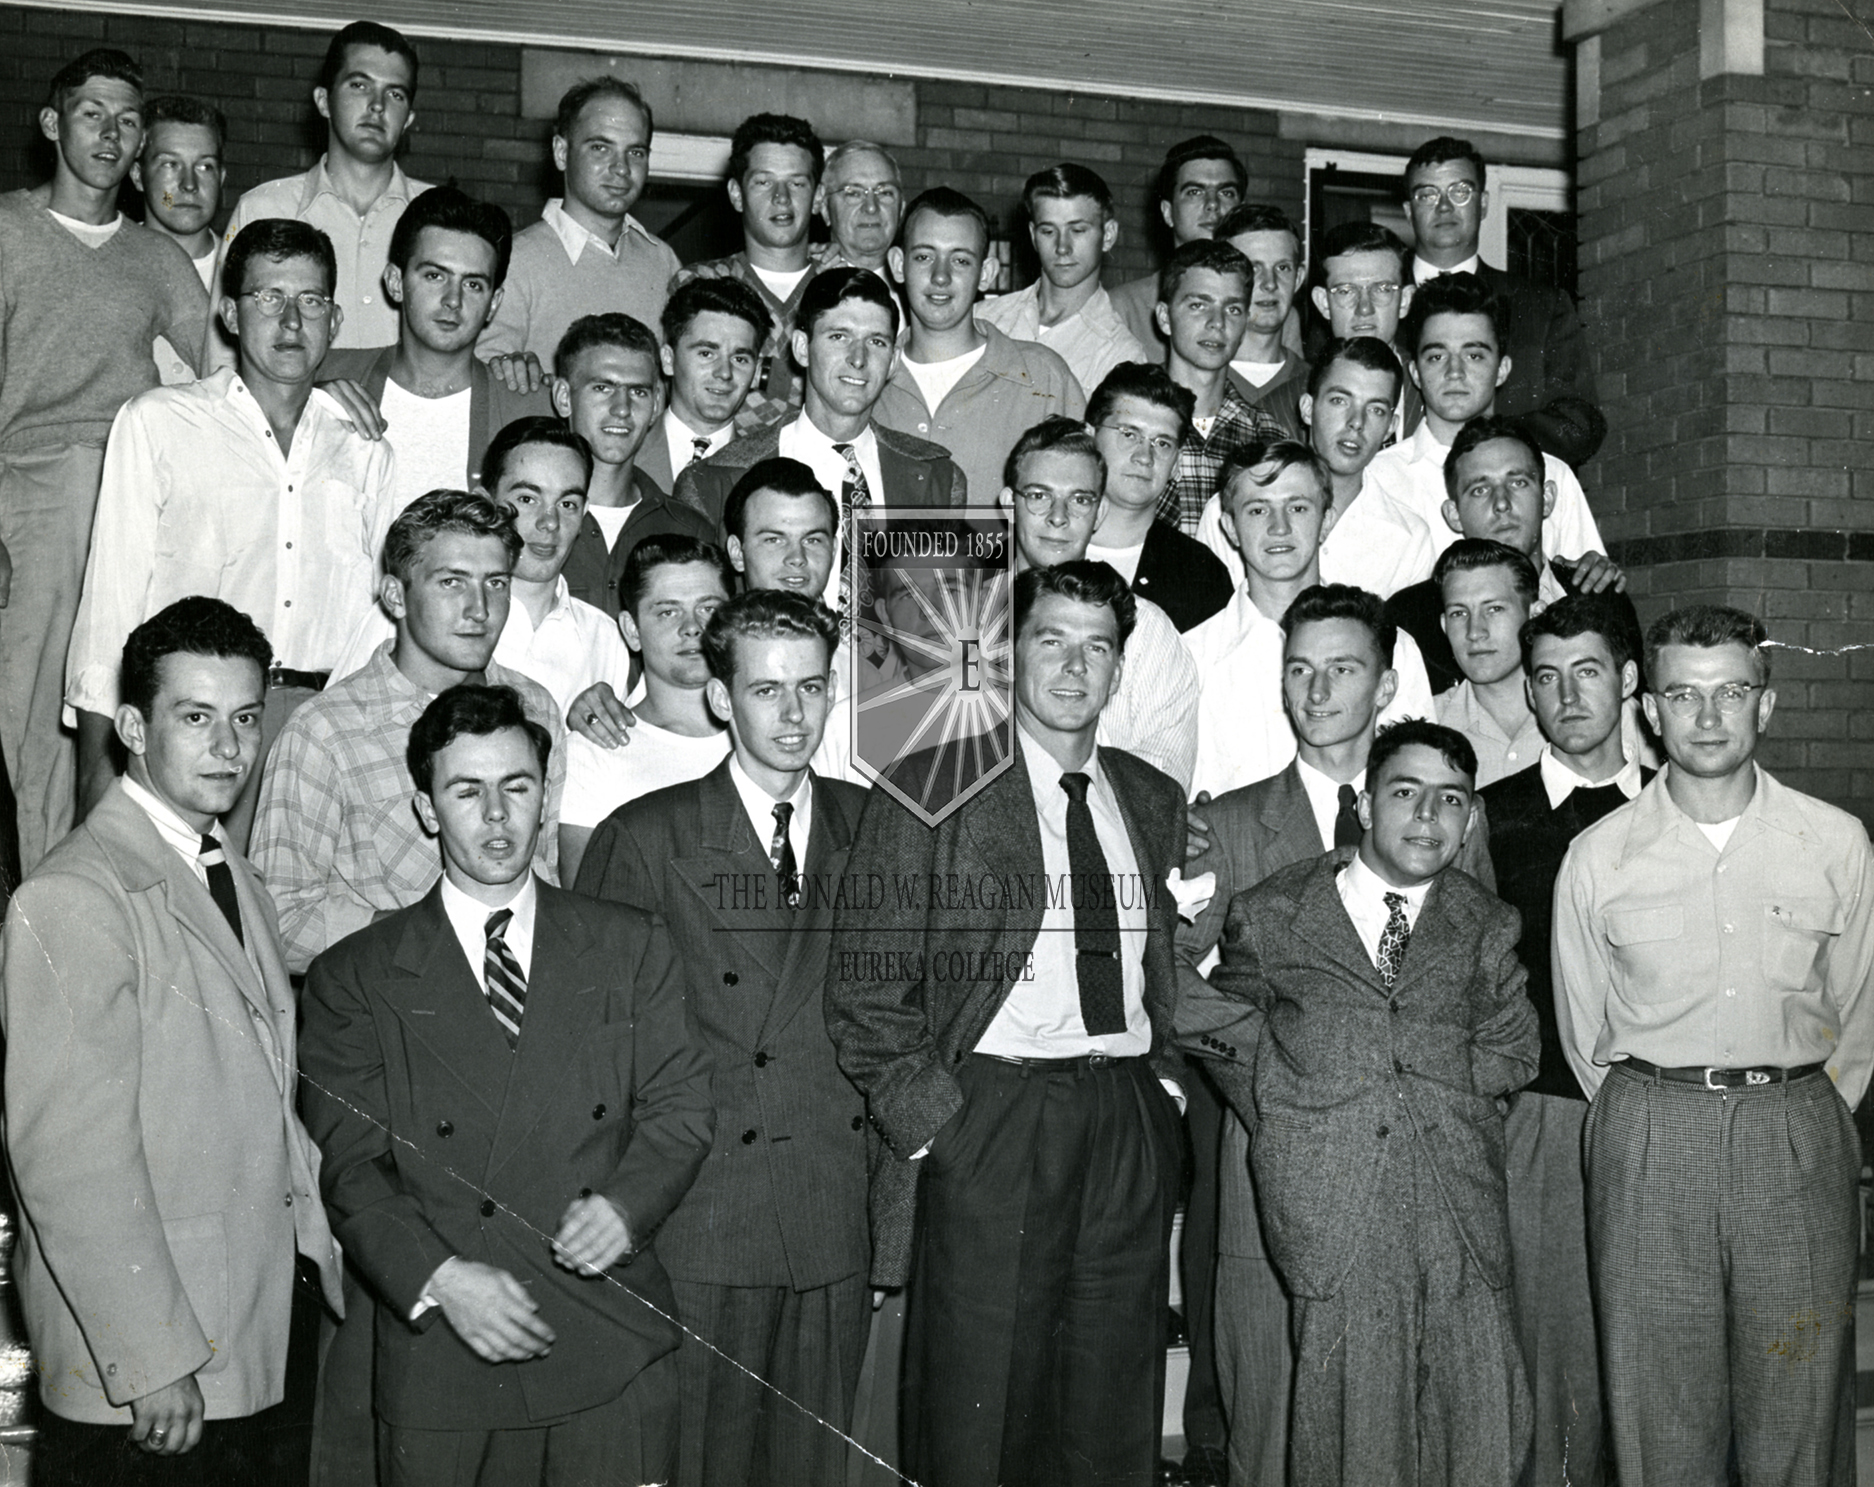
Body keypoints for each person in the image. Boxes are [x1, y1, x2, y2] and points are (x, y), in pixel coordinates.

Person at [827, 559, 1188, 1487]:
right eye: (1051, 640)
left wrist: (1163, 1087)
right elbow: (866, 987)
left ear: (1119, 668)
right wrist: (939, 1129)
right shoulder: (931, 780)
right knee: (979, 1409)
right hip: (992, 1112)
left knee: (1113, 1406)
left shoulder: (1148, 795)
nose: (1074, 666)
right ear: (1007, 655)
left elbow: (1157, 960)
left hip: (1122, 1114)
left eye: (1096, 647)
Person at [298, 682, 712, 1487]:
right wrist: (441, 1278)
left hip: (607, 1340)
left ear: (545, 795)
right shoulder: (355, 975)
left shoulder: (629, 944)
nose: (496, 814)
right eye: (467, 790)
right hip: (449, 1353)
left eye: (516, 786)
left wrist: (625, 1206)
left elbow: (682, 1105)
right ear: (426, 810)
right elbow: (351, 1167)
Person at [2, 596, 344, 1486]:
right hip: (153, 1366)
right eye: (195, 718)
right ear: (131, 728)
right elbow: (69, 1162)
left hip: (244, 1331)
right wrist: (152, 1355)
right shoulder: (75, 896)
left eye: (245, 718)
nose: (229, 746)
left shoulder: (233, 874)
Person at [1176, 586, 1492, 1487]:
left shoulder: (1443, 813)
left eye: (1343, 669)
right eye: (1299, 670)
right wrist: (1272, 1072)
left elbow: (1479, 966)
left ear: (1386, 684)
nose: (1316, 691)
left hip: (1421, 1174)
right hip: (1278, 1160)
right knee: (1276, 1416)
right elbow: (1168, 977)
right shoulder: (1227, 823)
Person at [1554, 605, 1874, 1487]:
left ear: (1764, 704)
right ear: (1649, 710)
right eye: (1682, 695)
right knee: (1659, 1419)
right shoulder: (1598, 855)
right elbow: (1585, 1028)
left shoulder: (1834, 842)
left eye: (1730, 692)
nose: (1706, 716)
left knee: (1798, 1410)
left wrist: (1804, 1116)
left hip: (1794, 1130)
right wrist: (1655, 1114)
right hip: (1652, 1133)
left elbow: (1859, 1009)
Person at [576, 589, 870, 1487]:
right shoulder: (648, 837)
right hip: (704, 1217)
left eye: (811, 688)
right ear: (720, 697)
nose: (793, 714)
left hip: (832, 1209)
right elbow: (603, 1056)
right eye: (767, 690)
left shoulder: (876, 828)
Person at [1217, 719, 1535, 1484]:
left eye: (1450, 799)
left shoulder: (1485, 921)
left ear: (1469, 820)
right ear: (1363, 805)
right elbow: (1222, 1023)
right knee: (1351, 1435)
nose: (1428, 815)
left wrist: (1434, 1086)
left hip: (1458, 1206)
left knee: (1479, 1426)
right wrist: (1290, 1103)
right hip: (1336, 1207)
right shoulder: (1274, 911)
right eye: (1405, 792)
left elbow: (1515, 1045)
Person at [67, 218, 397, 845]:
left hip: (324, 731)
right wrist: (95, 775)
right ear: (230, 315)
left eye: (311, 301)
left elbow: (379, 618)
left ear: (335, 321)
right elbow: (110, 608)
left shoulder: (364, 447)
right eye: (269, 298)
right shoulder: (159, 423)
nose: (291, 321)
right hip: (195, 722)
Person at [0, 47, 211, 868]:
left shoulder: (156, 257)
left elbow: (233, 372)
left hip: (131, 490)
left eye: (127, 121)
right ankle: (37, 899)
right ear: (53, 124)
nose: (111, 134)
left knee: (123, 713)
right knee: (32, 722)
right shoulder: (8, 230)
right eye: (93, 114)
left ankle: (101, 896)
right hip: (34, 492)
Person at [251, 488, 567, 975]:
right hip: (392, 998)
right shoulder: (326, 732)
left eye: (496, 583)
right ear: (396, 596)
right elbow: (277, 919)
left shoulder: (536, 708)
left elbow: (547, 874)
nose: (479, 609)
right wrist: (431, 939)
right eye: (451, 582)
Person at [1479, 594, 1649, 1487]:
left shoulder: (1678, 805)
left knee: (1659, 1338)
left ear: (1629, 679)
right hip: (1543, 1113)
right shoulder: (1489, 815)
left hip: (1665, 1108)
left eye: (1587, 671)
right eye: (1545, 677)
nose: (1567, 696)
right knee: (1553, 1346)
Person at [675, 268, 966, 606]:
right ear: (802, 347)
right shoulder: (714, 482)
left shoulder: (938, 480)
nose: (858, 359)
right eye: (839, 337)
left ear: (893, 361)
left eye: (876, 342)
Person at [1187, 439, 1434, 798]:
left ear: (1326, 520)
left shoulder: (1390, 646)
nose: (1279, 527)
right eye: (1258, 510)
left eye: (1298, 508)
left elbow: (1421, 777)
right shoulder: (1192, 656)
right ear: (1230, 527)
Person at [320, 185, 549, 509]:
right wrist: (307, 396)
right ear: (395, 282)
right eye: (434, 276)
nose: (453, 300)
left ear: (494, 303)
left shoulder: (526, 409)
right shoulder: (326, 380)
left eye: (473, 284)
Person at [1006, 417, 1200, 789]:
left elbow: (1161, 788)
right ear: (1007, 505)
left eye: (1080, 500)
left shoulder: (1148, 630)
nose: (1058, 517)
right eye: (1039, 496)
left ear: (1100, 514)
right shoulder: (962, 618)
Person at [214, 21, 428, 358]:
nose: (377, 105)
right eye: (359, 85)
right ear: (324, 101)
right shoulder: (261, 209)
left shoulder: (436, 218)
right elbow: (222, 363)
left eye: (395, 94)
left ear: (408, 120)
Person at [1384, 415, 1638, 695]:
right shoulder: (1413, 617)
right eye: (1480, 490)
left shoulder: (1600, 597)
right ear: (1454, 514)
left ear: (1547, 498)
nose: (1502, 503)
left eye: (1517, 483)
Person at [1364, 273, 1603, 570]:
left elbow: (1584, 586)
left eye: (1474, 356)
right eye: (1437, 357)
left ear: (1502, 369)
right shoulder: (1376, 479)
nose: (1454, 372)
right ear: (1415, 373)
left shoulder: (1553, 474)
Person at [1403, 137, 1605, 467]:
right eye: (1427, 194)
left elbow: (1579, 423)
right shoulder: (1371, 302)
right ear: (1408, 211)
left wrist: (1490, 439)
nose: (1444, 207)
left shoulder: (1541, 306)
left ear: (1483, 203)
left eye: (1460, 191)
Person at [877, 186, 1086, 504]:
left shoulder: (1045, 377)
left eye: (960, 260)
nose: (941, 276)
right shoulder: (866, 375)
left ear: (986, 273)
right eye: (924, 257)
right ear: (897, 264)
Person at [558, 535, 732, 884]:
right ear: (632, 630)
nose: (692, 627)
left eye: (708, 609)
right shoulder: (594, 753)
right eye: (668, 612)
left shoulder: (771, 735)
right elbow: (588, 902)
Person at [479, 76, 678, 379]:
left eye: (636, 152)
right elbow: (485, 380)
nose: (621, 168)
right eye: (600, 148)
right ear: (561, 152)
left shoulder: (663, 261)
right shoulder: (514, 261)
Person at [550, 312, 715, 618]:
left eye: (638, 392)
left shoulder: (689, 531)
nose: (622, 409)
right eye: (603, 388)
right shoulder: (529, 521)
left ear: (656, 405)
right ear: (564, 397)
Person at [669, 112, 825, 434]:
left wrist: (763, 375)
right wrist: (800, 378)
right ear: (737, 194)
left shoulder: (838, 289)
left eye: (796, 183)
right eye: (764, 182)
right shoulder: (699, 283)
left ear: (818, 197)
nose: (781, 198)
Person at [976, 162, 1148, 395]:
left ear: (1108, 235)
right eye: (1048, 231)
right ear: (1033, 236)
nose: (1062, 247)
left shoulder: (1121, 355)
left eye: (1077, 230)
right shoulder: (983, 319)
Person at [1083, 364, 1231, 631]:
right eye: (1129, 435)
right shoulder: (1029, 542)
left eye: (1162, 443)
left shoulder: (1200, 573)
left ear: (1176, 463)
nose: (1144, 457)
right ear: (1089, 439)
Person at [1154, 238, 1284, 533]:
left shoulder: (1266, 437)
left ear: (1245, 325)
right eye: (1198, 305)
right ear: (1165, 318)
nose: (1217, 322)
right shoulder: (1130, 421)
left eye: (1233, 309)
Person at [1108, 135, 1248, 358]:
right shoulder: (1122, 309)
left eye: (1226, 193)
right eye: (1195, 192)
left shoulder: (1272, 312)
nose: (1213, 204)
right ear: (1168, 212)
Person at [638, 276, 773, 491]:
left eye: (740, 359)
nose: (724, 373)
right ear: (668, 360)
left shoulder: (766, 473)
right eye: (706, 353)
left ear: (756, 373)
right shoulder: (624, 455)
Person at [1430, 540, 1546, 787]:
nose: (1475, 632)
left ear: (1535, 616)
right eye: (1459, 613)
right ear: (1444, 626)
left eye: (1494, 609)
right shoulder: (1426, 727)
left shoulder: (1593, 713)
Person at [133, 94, 226, 384]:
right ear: (137, 175)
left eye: (205, 166)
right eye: (170, 164)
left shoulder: (244, 275)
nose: (189, 185)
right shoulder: (106, 264)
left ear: (222, 178)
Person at [1305, 221, 1420, 436]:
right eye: (1346, 291)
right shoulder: (1283, 404)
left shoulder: (1433, 392)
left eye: (1382, 289)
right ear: (1323, 303)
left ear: (1405, 301)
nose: (1364, 308)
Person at [1215, 203, 1308, 435]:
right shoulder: (1190, 379)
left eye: (1283, 268)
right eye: (1253, 268)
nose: (1270, 283)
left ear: (1298, 279)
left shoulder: (1318, 386)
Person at [814, 139, 904, 280]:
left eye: (884, 192)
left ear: (901, 209)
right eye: (854, 193)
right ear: (825, 209)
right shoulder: (803, 283)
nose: (871, 207)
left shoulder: (924, 287)